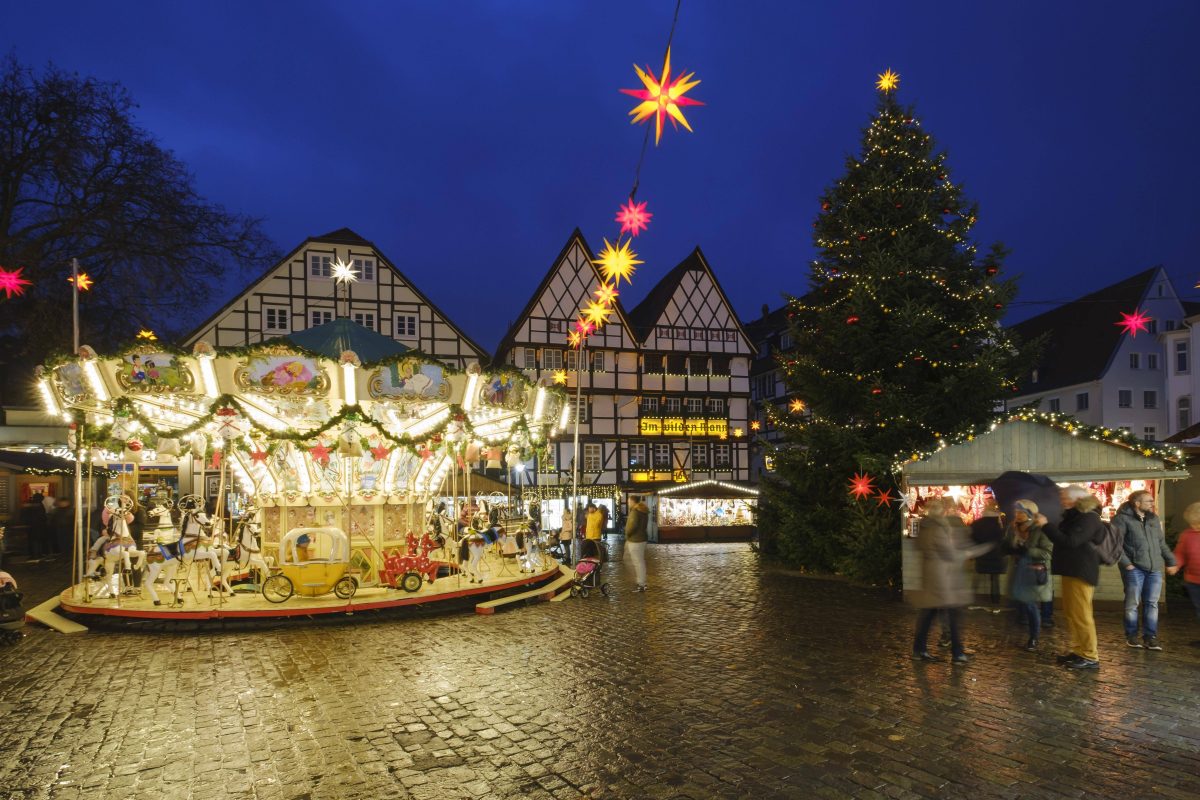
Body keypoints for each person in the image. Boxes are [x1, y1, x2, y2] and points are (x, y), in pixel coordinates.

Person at [911, 498, 992, 664]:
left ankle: (919, 650)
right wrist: (975, 551)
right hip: (944, 578)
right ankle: (957, 653)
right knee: (954, 614)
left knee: (929, 613)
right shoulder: (938, 529)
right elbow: (951, 555)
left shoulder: (925, 527)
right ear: (942, 512)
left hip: (931, 576)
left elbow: (921, 548)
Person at [1041, 487, 1106, 670]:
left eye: (1064, 497)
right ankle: (1079, 650)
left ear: (1077, 499)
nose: (1061, 500)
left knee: (1081, 614)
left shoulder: (1089, 517)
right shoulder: (1075, 516)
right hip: (1071, 569)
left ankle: (1090, 655)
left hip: (1081, 571)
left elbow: (1071, 541)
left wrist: (1046, 525)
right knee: (1072, 613)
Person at [1112, 490, 1176, 650]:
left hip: (1154, 569)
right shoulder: (1121, 519)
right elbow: (1115, 544)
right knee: (1132, 604)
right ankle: (1132, 636)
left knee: (1152, 604)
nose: (1152, 504)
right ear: (1137, 503)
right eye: (1148, 501)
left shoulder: (1153, 519)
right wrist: (1127, 564)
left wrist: (1170, 561)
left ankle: (1150, 637)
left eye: (1152, 501)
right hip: (1134, 568)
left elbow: (1161, 543)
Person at [1004, 500, 1054, 652]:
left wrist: (1027, 550)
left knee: (1031, 606)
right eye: (1016, 512)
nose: (1017, 515)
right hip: (1017, 571)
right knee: (1020, 603)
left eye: (1021, 512)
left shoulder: (1040, 529)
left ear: (1030, 513)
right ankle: (1017, 633)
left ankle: (1033, 637)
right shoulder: (1012, 527)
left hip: (1032, 571)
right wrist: (1008, 545)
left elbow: (1047, 553)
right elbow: (1007, 545)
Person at [970, 499, 1006, 606]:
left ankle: (972, 600)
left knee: (977, 578)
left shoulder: (976, 524)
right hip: (996, 556)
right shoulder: (1000, 524)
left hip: (981, 554)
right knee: (995, 580)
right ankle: (995, 602)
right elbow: (1003, 540)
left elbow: (971, 538)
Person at [1171, 503, 1199, 628]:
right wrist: (1175, 565)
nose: (1195, 527)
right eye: (1192, 524)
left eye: (1198, 524)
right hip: (1193, 581)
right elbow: (1180, 553)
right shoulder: (1187, 535)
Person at [625, 495, 649, 592]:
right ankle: (640, 581)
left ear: (633, 501)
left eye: (629, 501)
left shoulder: (635, 511)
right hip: (642, 538)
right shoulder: (643, 511)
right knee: (639, 562)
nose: (628, 503)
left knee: (638, 562)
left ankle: (641, 583)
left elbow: (632, 526)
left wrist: (627, 533)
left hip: (635, 540)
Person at [20, 493, 49, 559]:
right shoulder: (40, 505)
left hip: (31, 526)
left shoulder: (30, 504)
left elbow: (24, 514)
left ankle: (33, 555)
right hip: (39, 526)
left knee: (32, 541)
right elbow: (43, 516)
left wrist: (25, 523)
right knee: (39, 541)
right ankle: (39, 554)